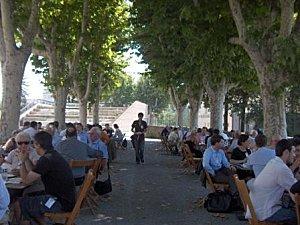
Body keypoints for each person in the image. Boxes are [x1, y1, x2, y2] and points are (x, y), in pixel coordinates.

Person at [14, 131, 76, 225]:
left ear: (38, 145)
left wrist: (21, 162)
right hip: (66, 199)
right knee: (28, 198)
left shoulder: (46, 160)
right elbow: (33, 172)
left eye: (33, 144)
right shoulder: (52, 155)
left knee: (18, 203)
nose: (33, 147)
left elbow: (26, 180)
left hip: (59, 202)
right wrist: (26, 159)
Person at [246, 139, 297, 224]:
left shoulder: (273, 162)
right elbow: (295, 191)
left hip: (256, 210)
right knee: (296, 216)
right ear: (286, 152)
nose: (294, 155)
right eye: (293, 152)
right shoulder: (282, 168)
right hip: (265, 213)